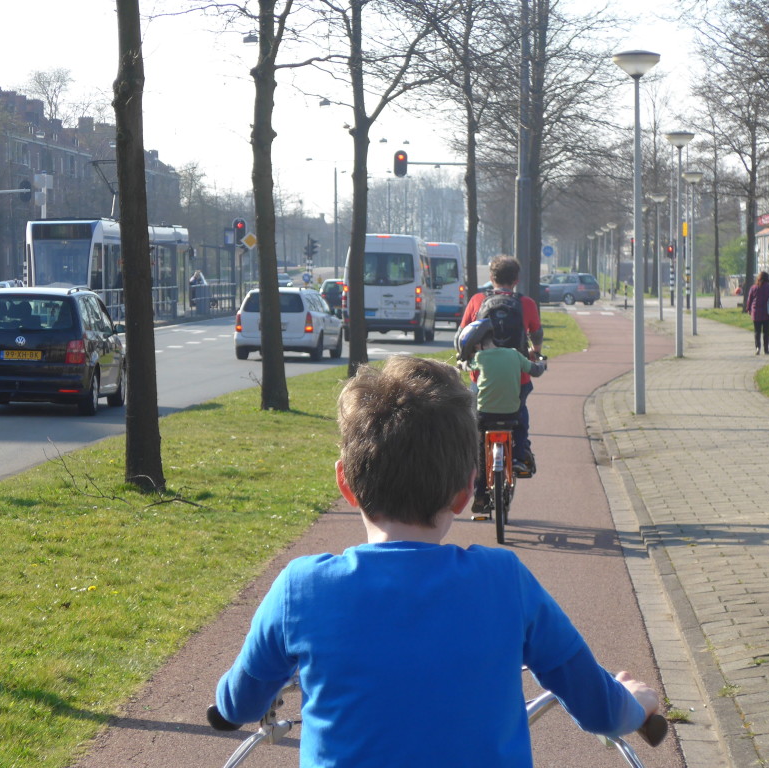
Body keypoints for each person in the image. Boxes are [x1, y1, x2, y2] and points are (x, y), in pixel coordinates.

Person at [209, 356, 659, 767]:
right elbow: (601, 708)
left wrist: (227, 705)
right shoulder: (506, 582)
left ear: (346, 483)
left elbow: (239, 703)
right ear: (466, 491)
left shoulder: (301, 590)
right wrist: (635, 702)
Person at [459, 255, 543, 472]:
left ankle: (475, 469)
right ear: (516, 280)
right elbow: (536, 333)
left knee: (476, 418)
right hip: (518, 377)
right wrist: (536, 353)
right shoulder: (526, 303)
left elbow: (462, 334)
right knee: (520, 409)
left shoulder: (477, 301)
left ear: (491, 277)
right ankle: (519, 455)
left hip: (481, 377)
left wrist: (466, 358)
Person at [457, 318, 546, 513]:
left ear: (478, 344)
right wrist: (542, 364)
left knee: (480, 451)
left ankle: (480, 496)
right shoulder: (514, 355)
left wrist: (461, 363)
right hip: (510, 414)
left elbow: (466, 366)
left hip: (485, 415)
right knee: (521, 426)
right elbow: (535, 370)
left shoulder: (479, 358)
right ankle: (518, 458)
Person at [744, 271, 769, 355]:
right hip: (767, 313)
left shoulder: (753, 288)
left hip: (756, 313)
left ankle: (757, 348)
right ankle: (766, 349)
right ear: (767, 278)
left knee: (757, 332)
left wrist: (748, 309)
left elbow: (749, 300)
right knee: (766, 332)